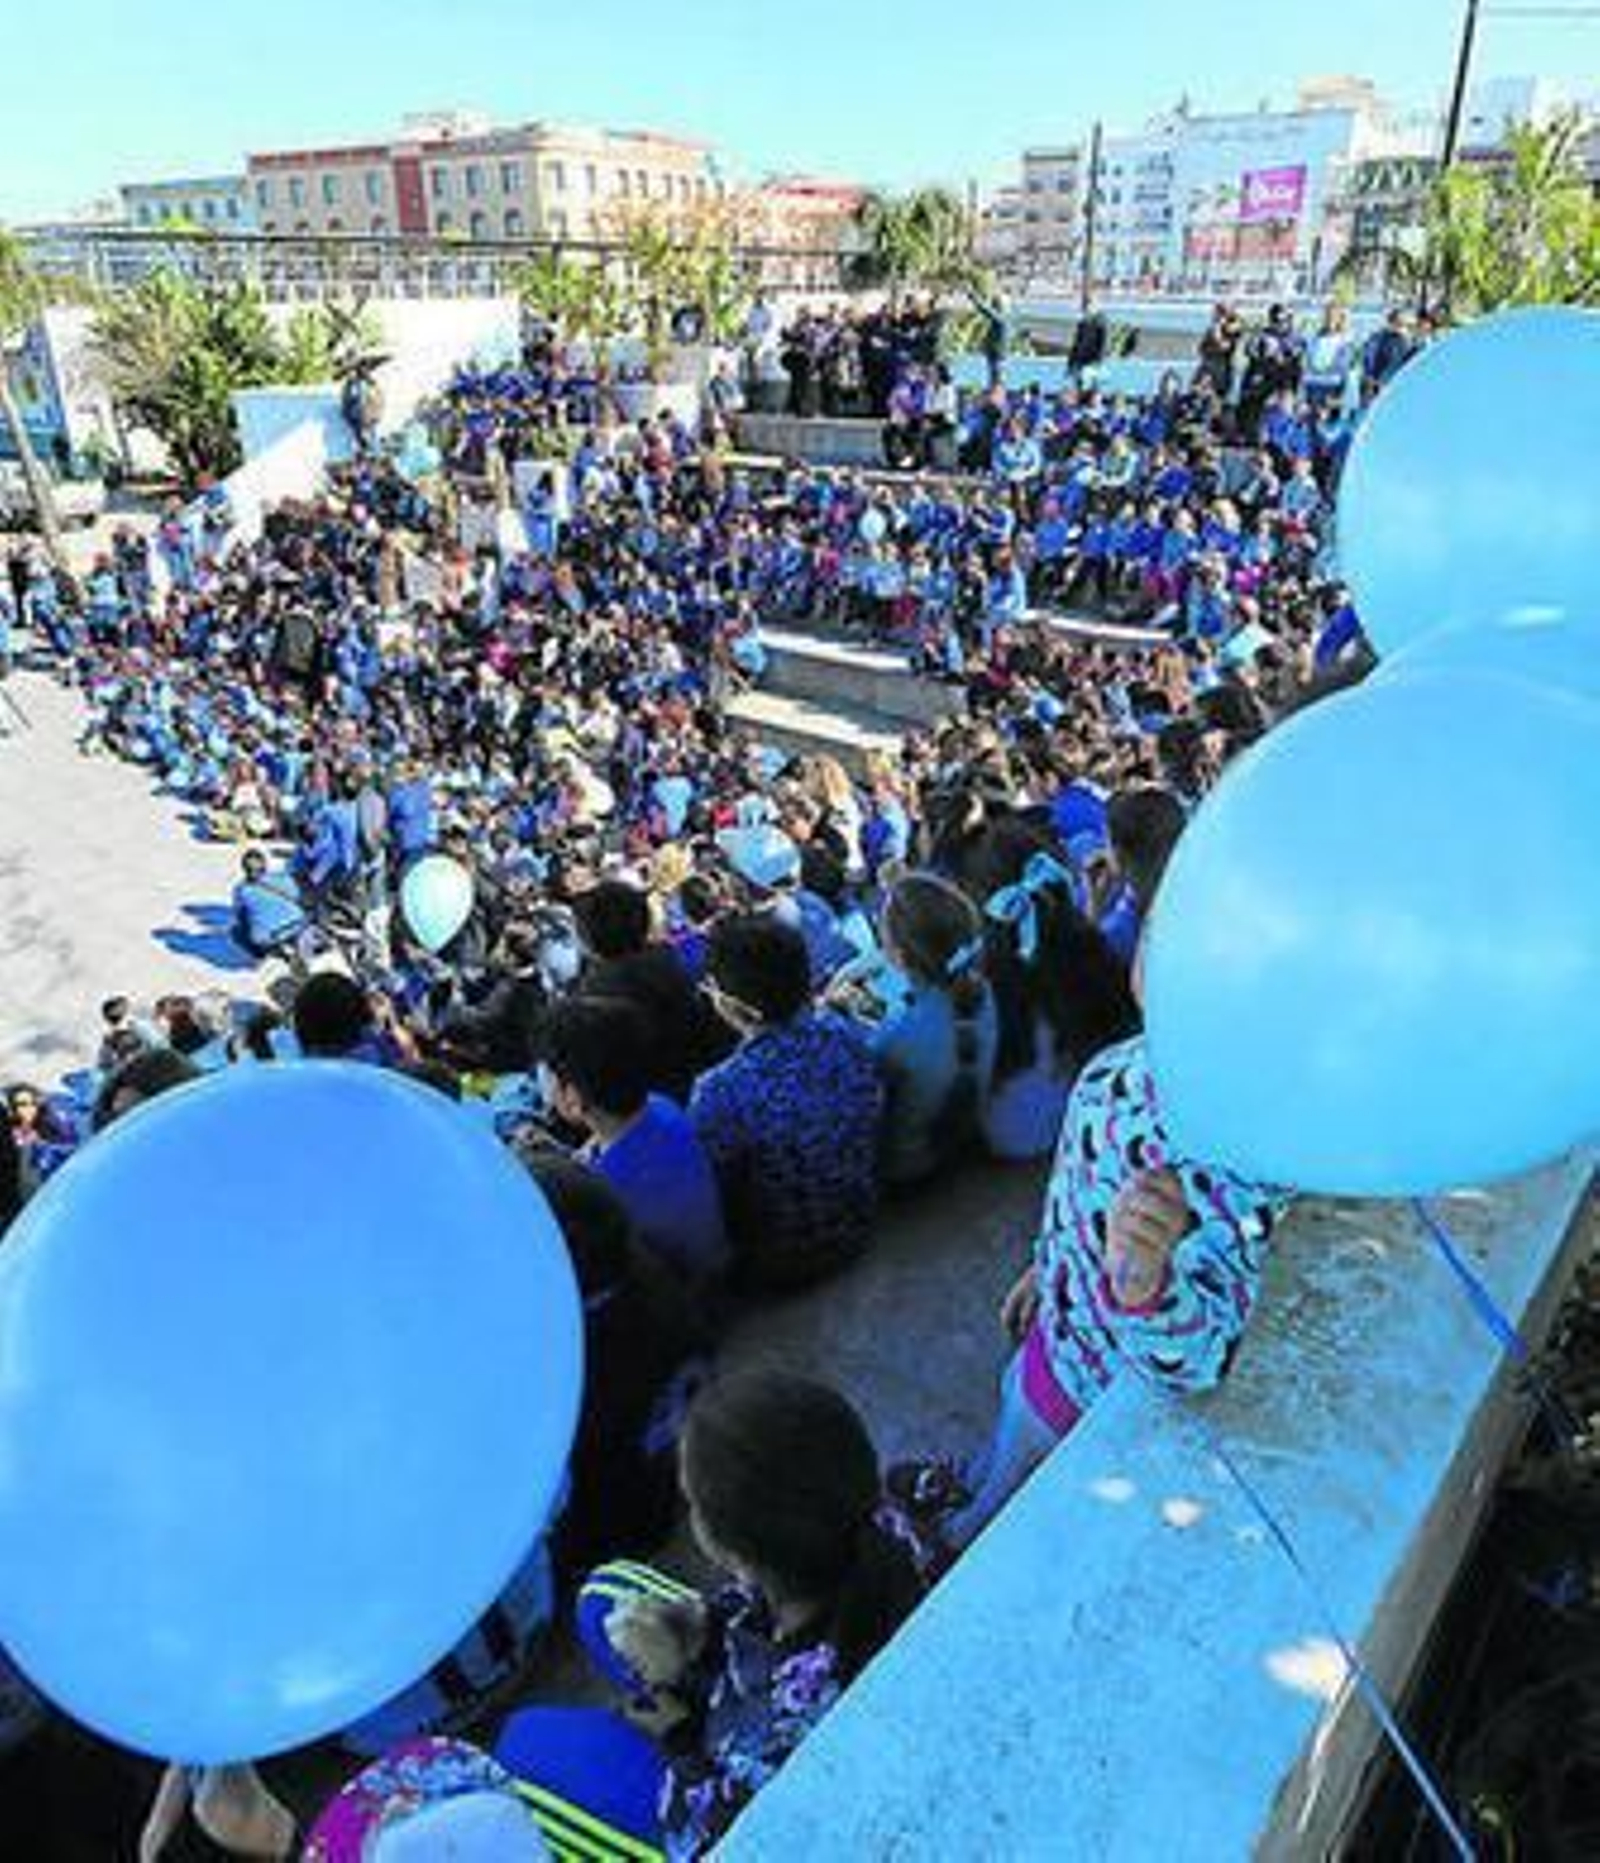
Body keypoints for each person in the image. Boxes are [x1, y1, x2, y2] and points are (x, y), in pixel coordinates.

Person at [952, 1024, 1287, 1542]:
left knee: (1002, 1506)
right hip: (1050, 1335)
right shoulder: (1124, 1061)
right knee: (1000, 1441)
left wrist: (1140, 1282)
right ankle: (961, 1489)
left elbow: (1193, 1364)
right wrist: (1046, 1262)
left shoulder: (1242, 1177)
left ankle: (949, 1544)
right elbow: (1076, 1177)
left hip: (1081, 1401)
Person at [575, 1372, 932, 1858]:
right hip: (803, 1658)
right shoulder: (903, 1508)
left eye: (694, 1505)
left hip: (754, 1770)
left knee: (526, 1744)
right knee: (603, 1595)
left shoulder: (777, 1726)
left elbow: (712, 1838)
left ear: (732, 1556)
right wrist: (707, 1626)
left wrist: (678, 1733)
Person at [691, 915, 883, 1290]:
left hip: (785, 1259)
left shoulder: (719, 1090)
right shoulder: (844, 1031)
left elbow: (713, 1186)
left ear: (737, 1006)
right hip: (862, 1212)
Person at [539, 996, 728, 1287]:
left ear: (573, 1098)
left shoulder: (596, 1194)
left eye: (548, 1075)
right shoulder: (661, 1106)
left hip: (687, 1298)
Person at [851, 873, 999, 1188]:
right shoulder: (984, 989)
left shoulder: (892, 1036)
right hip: (964, 1136)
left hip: (911, 1169)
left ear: (898, 957)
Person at [231, 849, 310, 966]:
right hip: (296, 926)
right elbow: (298, 895)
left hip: (269, 937)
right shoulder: (283, 878)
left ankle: (261, 954)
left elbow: (239, 914)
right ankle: (297, 943)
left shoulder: (241, 890)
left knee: (236, 931)